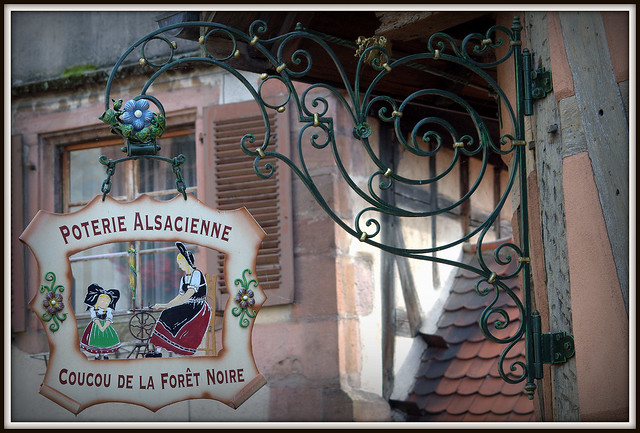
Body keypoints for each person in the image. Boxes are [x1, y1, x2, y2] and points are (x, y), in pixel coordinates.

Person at [148, 242, 211, 356]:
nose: (179, 266)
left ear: (187, 262)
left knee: (169, 314)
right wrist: (165, 305)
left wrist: (166, 306)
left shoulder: (196, 275)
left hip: (198, 307)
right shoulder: (184, 279)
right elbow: (180, 296)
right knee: (166, 314)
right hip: (187, 306)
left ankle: (180, 349)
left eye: (180, 263)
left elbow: (187, 295)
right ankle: (158, 351)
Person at [80, 284, 121, 360]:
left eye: (106, 302)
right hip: (95, 326)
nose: (104, 303)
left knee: (105, 340)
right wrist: (100, 326)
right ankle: (97, 355)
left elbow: (109, 319)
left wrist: (104, 327)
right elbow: (94, 318)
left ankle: (105, 354)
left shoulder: (108, 310)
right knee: (96, 339)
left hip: (105, 326)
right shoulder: (93, 309)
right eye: (102, 301)